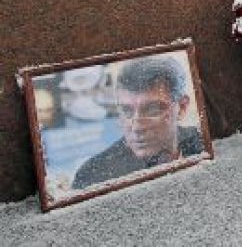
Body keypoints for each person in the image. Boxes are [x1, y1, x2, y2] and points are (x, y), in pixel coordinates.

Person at [72, 56, 202, 190]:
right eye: (127, 110)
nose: (137, 127)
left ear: (182, 107)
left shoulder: (202, 141)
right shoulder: (94, 177)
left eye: (153, 109)